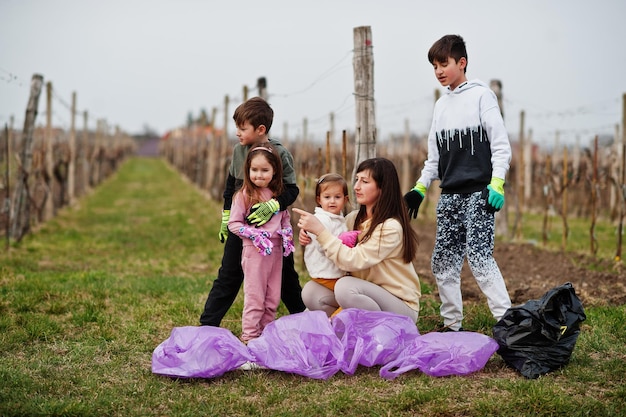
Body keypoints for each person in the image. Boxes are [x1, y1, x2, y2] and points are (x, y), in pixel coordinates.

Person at [403, 34, 512, 332]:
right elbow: (434, 158)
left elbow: (501, 144)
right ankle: (452, 324)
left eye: (444, 63)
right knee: (443, 262)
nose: (438, 71)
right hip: (449, 196)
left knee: (479, 258)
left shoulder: (482, 96)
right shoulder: (440, 107)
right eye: (434, 66)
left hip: (479, 193)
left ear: (461, 63)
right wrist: (420, 188)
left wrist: (497, 183)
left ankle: (509, 323)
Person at [199, 97, 305, 327]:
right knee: (228, 275)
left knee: (286, 278)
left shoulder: (279, 153)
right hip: (242, 229)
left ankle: (306, 321)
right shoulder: (239, 152)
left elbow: (292, 189)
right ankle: (207, 326)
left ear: (260, 129)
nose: (237, 132)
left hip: (273, 232)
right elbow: (230, 186)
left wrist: (274, 205)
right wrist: (227, 215)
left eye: (242, 127)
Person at [295, 157, 421, 323]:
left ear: (382, 187)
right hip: (365, 294)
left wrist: (319, 231)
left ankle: (377, 335)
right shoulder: (352, 219)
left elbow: (353, 260)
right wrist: (308, 234)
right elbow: (332, 242)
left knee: (345, 287)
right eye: (356, 180)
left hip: (398, 305)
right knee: (311, 292)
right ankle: (345, 334)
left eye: (364, 181)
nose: (356, 187)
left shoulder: (390, 227)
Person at [228, 144, 295, 342]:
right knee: (255, 297)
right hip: (255, 251)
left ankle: (266, 337)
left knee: (272, 297)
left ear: (274, 171)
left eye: (265, 170)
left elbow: (284, 218)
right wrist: (253, 234)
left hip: (275, 251)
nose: (259, 175)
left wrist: (287, 233)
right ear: (248, 170)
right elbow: (234, 224)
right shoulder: (244, 195)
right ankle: (250, 337)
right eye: (254, 170)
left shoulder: (277, 196)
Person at [300, 173, 360, 317]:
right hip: (326, 274)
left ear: (345, 199)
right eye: (327, 197)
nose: (332, 201)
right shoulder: (320, 220)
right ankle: (334, 321)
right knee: (349, 300)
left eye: (337, 197)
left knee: (348, 297)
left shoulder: (337, 219)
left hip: (333, 273)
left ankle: (325, 319)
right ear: (319, 199)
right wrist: (344, 240)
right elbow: (322, 247)